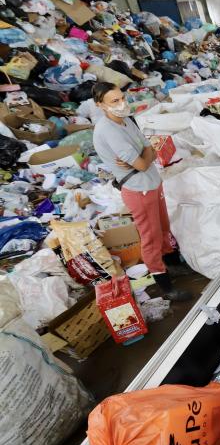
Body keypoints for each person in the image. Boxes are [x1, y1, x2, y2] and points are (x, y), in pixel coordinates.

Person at [91, 82, 191, 302]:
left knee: (164, 227)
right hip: (138, 190)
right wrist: (144, 157)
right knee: (151, 237)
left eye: (121, 98)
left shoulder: (126, 120)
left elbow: (149, 149)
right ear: (101, 105)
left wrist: (144, 156)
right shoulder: (108, 130)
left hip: (152, 183)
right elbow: (143, 163)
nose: (121, 104)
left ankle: (172, 265)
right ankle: (165, 286)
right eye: (114, 101)